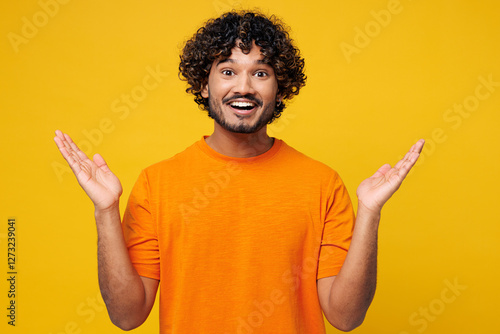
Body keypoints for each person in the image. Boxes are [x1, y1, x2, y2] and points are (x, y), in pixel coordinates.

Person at [54, 11, 424, 334]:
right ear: (204, 84)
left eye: (260, 73)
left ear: (280, 89)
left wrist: (370, 213)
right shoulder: (157, 184)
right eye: (228, 71)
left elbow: (346, 317)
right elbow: (126, 315)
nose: (243, 87)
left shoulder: (322, 183)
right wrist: (105, 212)